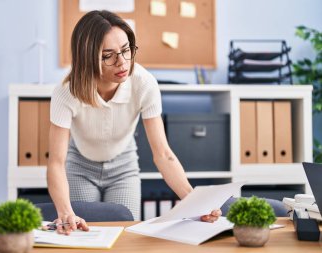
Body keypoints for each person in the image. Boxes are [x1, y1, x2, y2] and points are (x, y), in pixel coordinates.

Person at [47, 10, 221, 235]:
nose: (122, 62)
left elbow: (163, 154)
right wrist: (64, 211)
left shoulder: (144, 83)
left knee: (125, 233)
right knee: (82, 234)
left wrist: (194, 202)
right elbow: (56, 162)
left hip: (123, 165)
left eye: (126, 50)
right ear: (87, 57)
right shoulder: (67, 92)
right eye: (108, 55)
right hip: (81, 165)